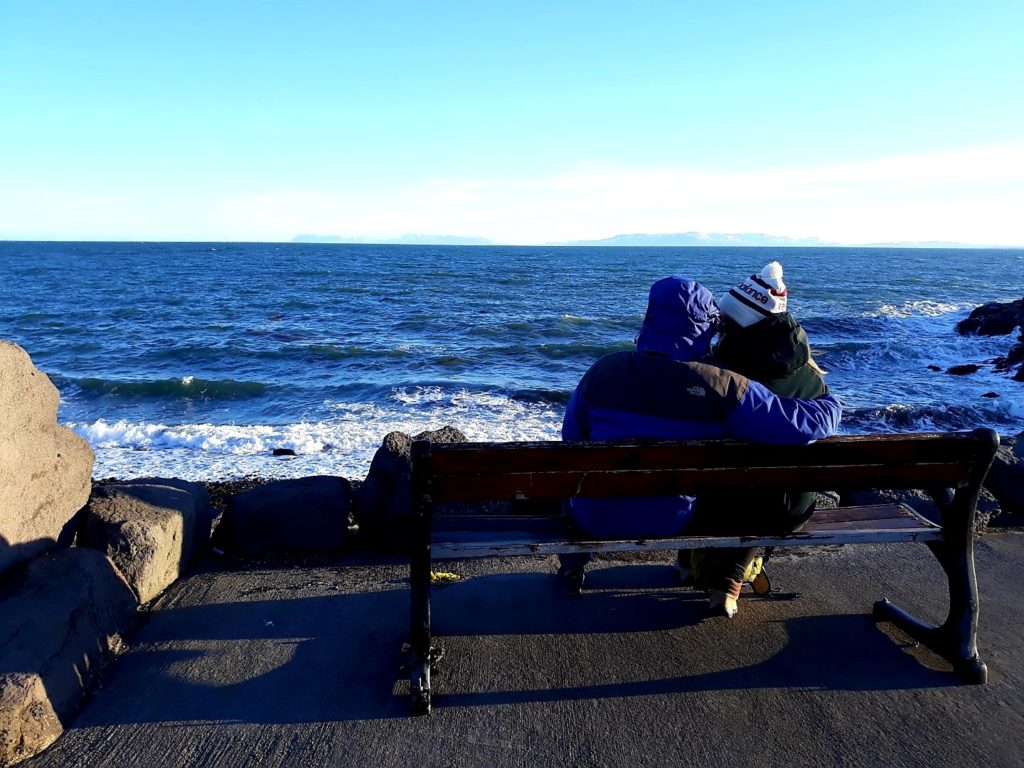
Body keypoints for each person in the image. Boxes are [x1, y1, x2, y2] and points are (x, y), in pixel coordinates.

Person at [557, 275, 842, 615]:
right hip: (675, 519)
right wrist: (831, 403)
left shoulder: (602, 371)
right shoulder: (721, 384)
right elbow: (800, 424)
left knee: (573, 484)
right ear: (706, 325)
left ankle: (572, 567)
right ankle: (726, 579)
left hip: (594, 518)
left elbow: (571, 441)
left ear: (650, 318)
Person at [683, 261, 829, 616]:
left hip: (729, 507)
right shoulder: (812, 377)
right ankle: (730, 574)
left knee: (727, 485)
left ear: (739, 329)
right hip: (795, 507)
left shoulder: (723, 377)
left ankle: (707, 569)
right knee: (762, 482)